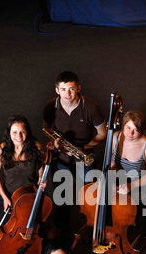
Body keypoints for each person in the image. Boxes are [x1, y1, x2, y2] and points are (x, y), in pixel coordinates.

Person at [42, 71, 107, 228]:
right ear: (57, 90)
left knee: (89, 198)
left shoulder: (91, 107)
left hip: (84, 158)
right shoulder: (51, 106)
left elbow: (103, 134)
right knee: (61, 198)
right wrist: (55, 142)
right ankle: (61, 231)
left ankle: (89, 228)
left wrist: (83, 147)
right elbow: (46, 129)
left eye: (71, 88)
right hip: (61, 159)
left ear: (78, 88)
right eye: (63, 89)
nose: (67, 93)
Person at [111, 110, 146, 232]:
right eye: (128, 127)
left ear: (141, 131)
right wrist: (110, 180)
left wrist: (130, 186)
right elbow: (111, 164)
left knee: (133, 210)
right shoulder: (115, 137)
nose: (130, 133)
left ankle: (135, 236)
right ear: (123, 125)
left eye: (135, 130)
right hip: (119, 180)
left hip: (140, 183)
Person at [0, 114, 45, 213]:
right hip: (11, 196)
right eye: (14, 132)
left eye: (22, 132)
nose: (19, 136)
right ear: (9, 133)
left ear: (27, 132)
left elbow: (41, 164)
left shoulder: (36, 147)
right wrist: (4, 197)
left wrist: (41, 177)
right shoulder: (0, 152)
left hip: (32, 194)